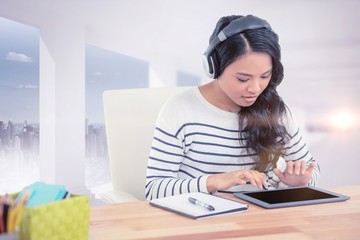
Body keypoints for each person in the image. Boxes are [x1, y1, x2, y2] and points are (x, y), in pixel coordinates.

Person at [145, 15, 320, 200]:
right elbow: (153, 189)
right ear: (214, 67)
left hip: (262, 219)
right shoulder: (180, 109)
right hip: (200, 220)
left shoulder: (274, 109)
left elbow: (311, 168)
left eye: (264, 76)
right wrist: (215, 181)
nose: (255, 88)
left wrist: (301, 182)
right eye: (242, 79)